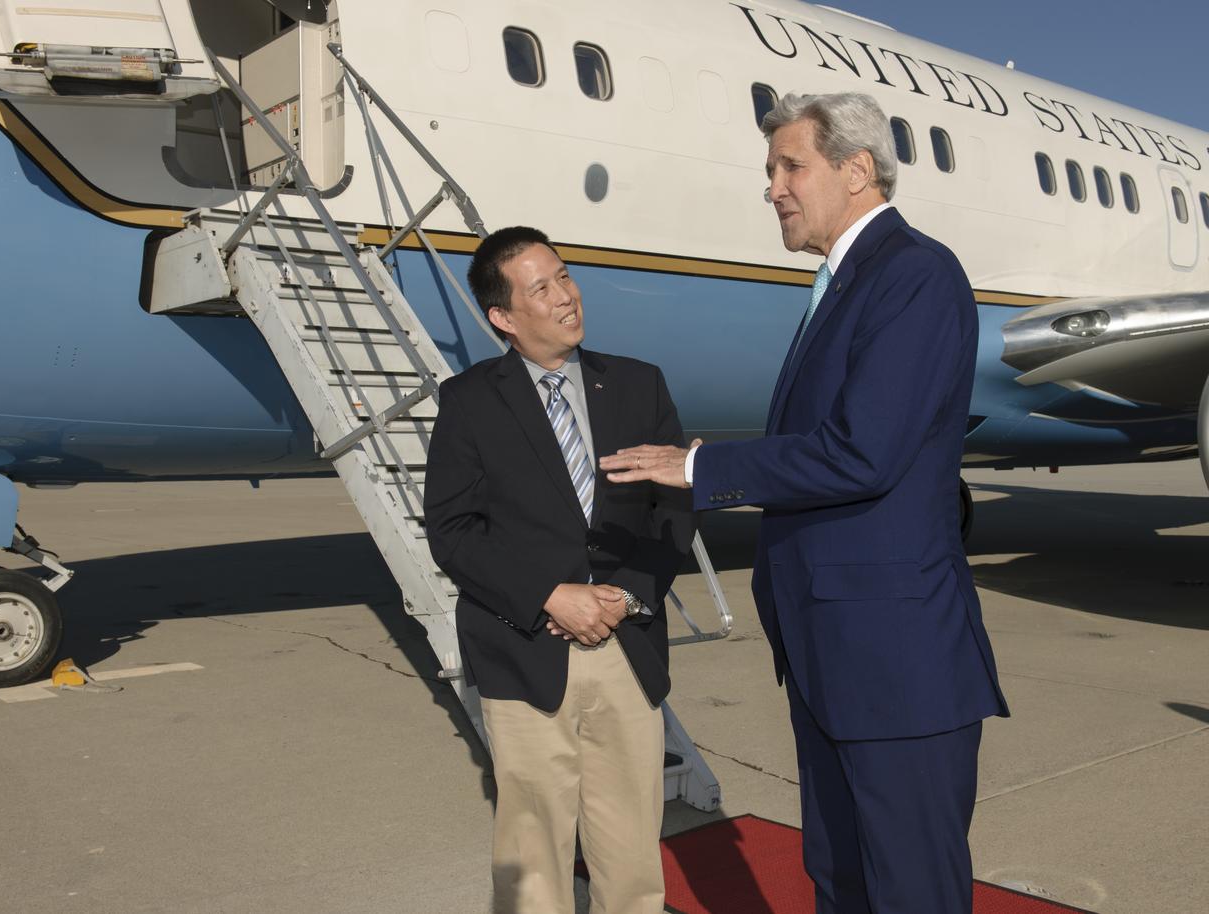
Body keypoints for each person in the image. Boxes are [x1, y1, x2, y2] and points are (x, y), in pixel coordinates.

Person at [600, 92, 1009, 914]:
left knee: (911, 891)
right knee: (841, 880)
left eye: (791, 166)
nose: (774, 187)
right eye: (770, 170)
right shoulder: (843, 281)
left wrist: (699, 467)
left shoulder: (915, 275)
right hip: (833, 655)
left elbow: (864, 451)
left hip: (895, 664)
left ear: (857, 171)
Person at [423, 226, 695, 914]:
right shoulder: (469, 403)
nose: (565, 296)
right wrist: (550, 596)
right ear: (504, 318)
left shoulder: (638, 384)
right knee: (534, 853)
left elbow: (674, 511)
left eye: (564, 276)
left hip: (626, 647)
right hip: (526, 649)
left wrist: (628, 598)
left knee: (632, 853)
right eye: (540, 288)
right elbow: (452, 533)